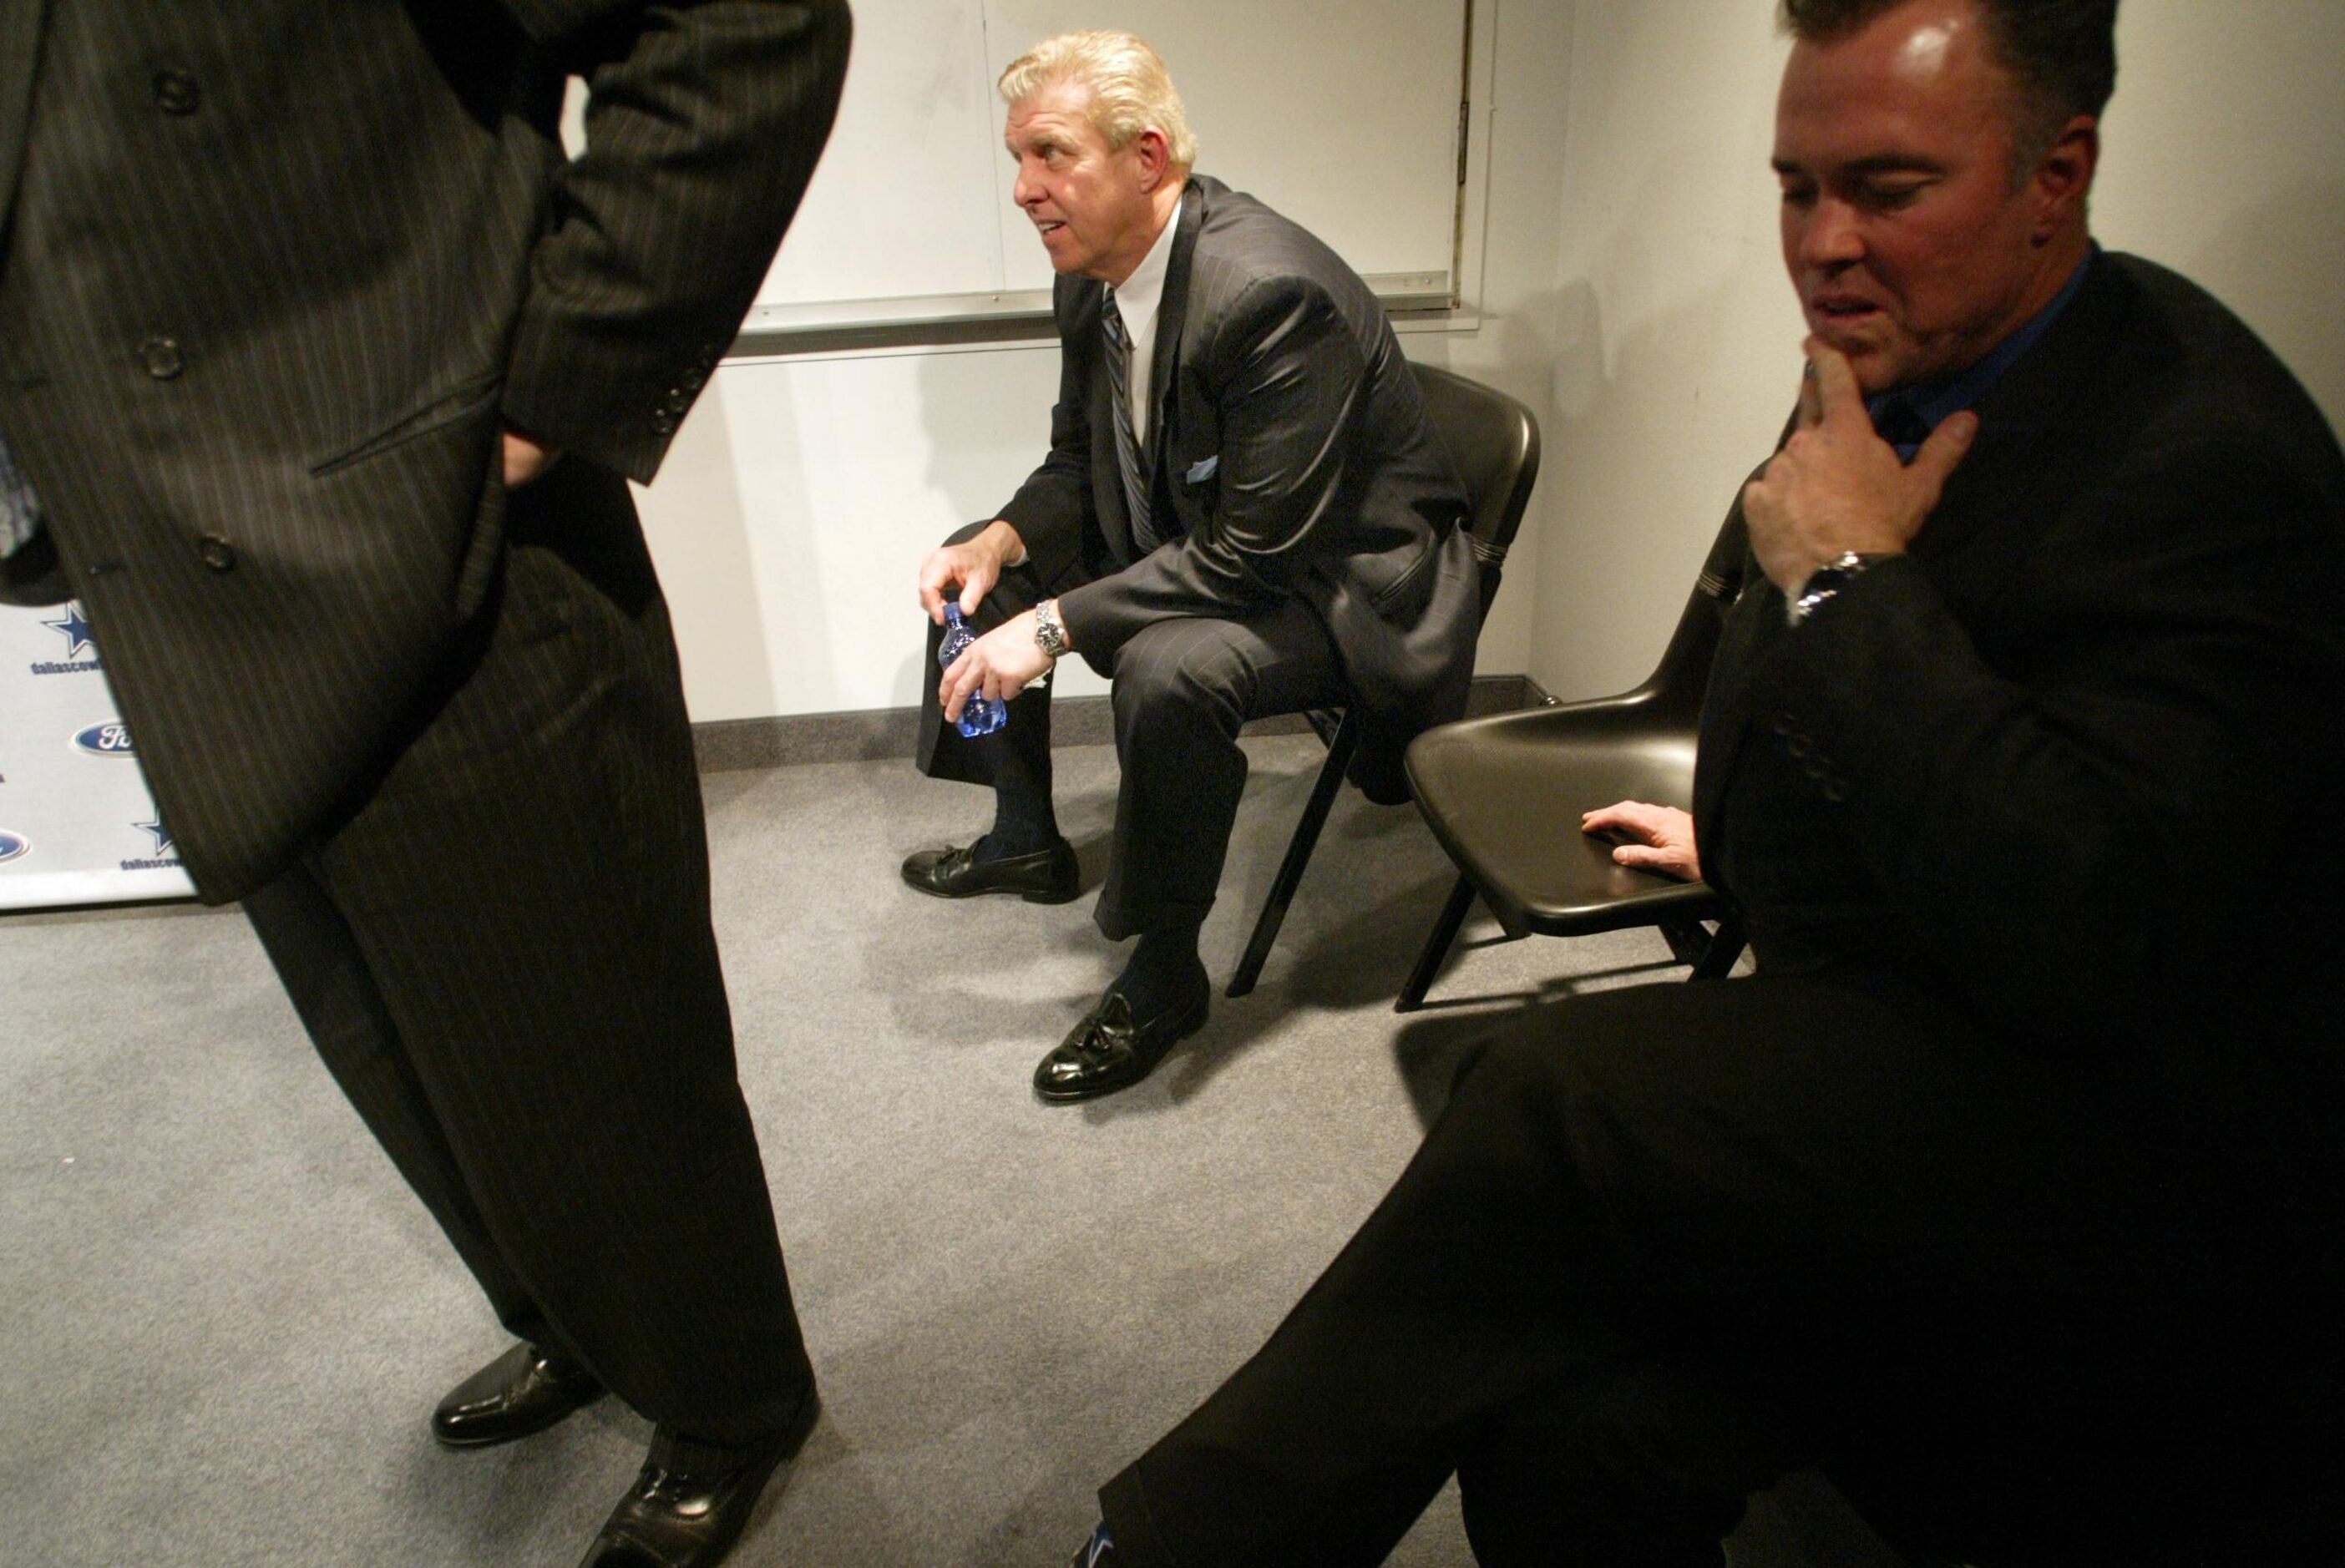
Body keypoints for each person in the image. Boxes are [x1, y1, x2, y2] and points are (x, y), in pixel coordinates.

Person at [1071, 0, 2345, 1562]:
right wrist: (1739, 831)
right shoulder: (1898, 354)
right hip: (1929, 1015)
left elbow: (2107, 933)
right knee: (1562, 1420)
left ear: (2053, 172)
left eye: (1883, 188)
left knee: (1548, 1093)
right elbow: (1925, 733)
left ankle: (1182, 1544)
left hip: (2119, 1148)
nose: (1822, 242)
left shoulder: (2203, 458)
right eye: (1795, 186)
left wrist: (1842, 584)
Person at [0, 4, 850, 1564]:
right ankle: (577, 1316)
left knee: (593, 1057)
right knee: (400, 1049)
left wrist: (549, 392)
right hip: (187, 592)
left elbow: (742, 25)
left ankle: (729, 1392)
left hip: (455, 570)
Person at [901, 31, 1482, 1102]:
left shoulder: (1267, 291)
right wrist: (994, 546)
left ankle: (1165, 974)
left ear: (1149, 156)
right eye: (1016, 160)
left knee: (1171, 672)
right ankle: (1025, 837)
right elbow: (1080, 463)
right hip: (1221, 532)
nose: (1025, 191)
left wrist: (1052, 630)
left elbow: (1256, 555)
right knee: (980, 580)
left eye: (1051, 156)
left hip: (1347, 582)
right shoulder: (1092, 272)